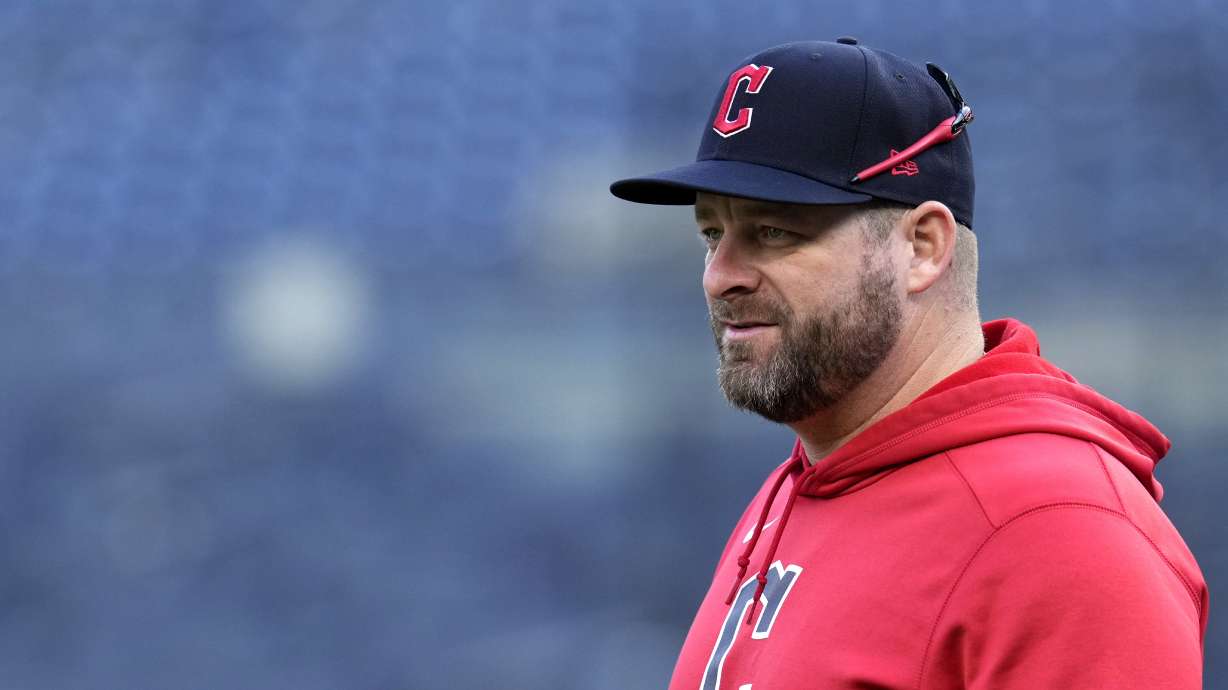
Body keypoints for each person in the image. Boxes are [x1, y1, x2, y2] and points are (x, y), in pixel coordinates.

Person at [609, 38, 1207, 689]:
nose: (719, 276)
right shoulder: (808, 478)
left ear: (922, 247)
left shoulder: (1059, 536)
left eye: (774, 231)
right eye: (712, 235)